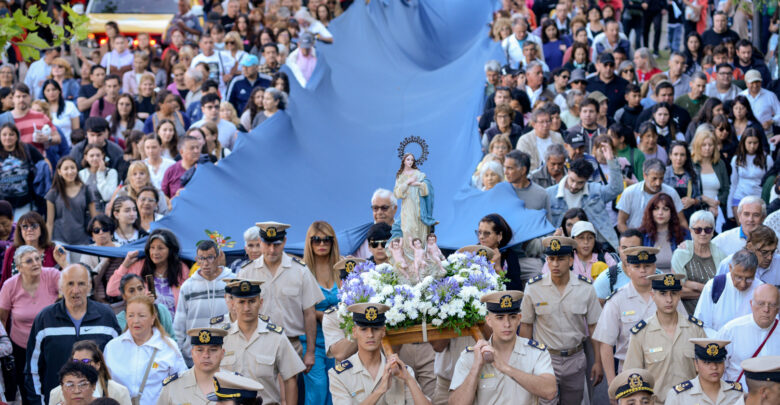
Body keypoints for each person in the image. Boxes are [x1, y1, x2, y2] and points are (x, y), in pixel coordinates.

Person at [520, 236, 602, 405]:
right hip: (545, 359)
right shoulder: (533, 287)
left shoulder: (586, 288)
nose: (555, 264)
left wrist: (598, 362)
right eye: (551, 259)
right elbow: (526, 325)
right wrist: (526, 361)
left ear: (571, 260)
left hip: (576, 359)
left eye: (561, 259)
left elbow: (594, 327)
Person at [25, 264, 121, 405]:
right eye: (70, 284)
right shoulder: (45, 318)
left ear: (89, 287)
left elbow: (117, 365)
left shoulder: (106, 316)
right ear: (61, 287)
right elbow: (32, 369)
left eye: (81, 284)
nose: (75, 290)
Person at [593, 246, 683, 386]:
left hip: (667, 374)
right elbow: (606, 344)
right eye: (637, 266)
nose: (643, 270)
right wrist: (612, 384)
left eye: (647, 265)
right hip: (631, 376)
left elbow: (685, 330)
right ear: (628, 269)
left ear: (654, 267)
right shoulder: (617, 300)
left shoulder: (669, 295)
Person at [237, 222, 323, 368]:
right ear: (260, 242)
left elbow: (309, 313)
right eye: (267, 244)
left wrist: (310, 352)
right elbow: (236, 312)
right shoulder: (246, 273)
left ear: (284, 242)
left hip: (291, 345)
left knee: (292, 390)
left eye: (276, 244)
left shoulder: (300, 271)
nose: (272, 250)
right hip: (256, 344)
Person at [448, 290, 556, 404]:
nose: (507, 324)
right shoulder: (470, 356)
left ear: (519, 319)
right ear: (489, 321)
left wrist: (505, 368)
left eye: (512, 317)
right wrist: (476, 367)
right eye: (500, 318)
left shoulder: (536, 353)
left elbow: (550, 392)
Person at [623, 273, 707, 404]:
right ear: (653, 296)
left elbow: (706, 373)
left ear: (679, 295)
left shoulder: (695, 330)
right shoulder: (640, 334)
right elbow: (632, 377)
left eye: (673, 293)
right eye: (663, 294)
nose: (669, 299)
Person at [221, 279, 305, 405]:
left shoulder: (276, 337)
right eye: (241, 302)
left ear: (261, 303)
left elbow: (290, 379)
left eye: (252, 301)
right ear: (233, 304)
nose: (247, 308)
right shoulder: (222, 337)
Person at [329, 303, 431, 405]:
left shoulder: (401, 370)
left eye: (376, 329)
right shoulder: (340, 375)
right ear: (354, 332)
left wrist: (408, 379)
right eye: (364, 329)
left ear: (383, 331)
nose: (370, 335)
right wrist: (380, 390)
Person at [0, 245, 60, 403]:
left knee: (52, 383)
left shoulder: (52, 275)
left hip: (50, 343)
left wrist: (64, 262)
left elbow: (73, 287)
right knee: (26, 388)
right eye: (29, 261)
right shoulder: (10, 285)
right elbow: (2, 319)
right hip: (21, 347)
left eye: (37, 258)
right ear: (19, 267)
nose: (35, 263)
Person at [103, 295, 187, 405]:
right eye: (130, 316)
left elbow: (182, 383)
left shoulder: (169, 347)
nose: (135, 321)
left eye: (142, 316)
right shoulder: (112, 347)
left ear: (153, 318)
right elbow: (103, 384)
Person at [172, 239, 231, 366]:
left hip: (227, 353)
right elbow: (179, 324)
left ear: (218, 257)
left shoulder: (231, 282)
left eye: (210, 257)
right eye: (201, 259)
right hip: (194, 355)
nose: (205, 263)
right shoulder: (187, 286)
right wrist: (180, 351)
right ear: (196, 260)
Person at [108, 229, 189, 316]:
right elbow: (112, 290)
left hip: (175, 327)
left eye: (160, 248)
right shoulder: (139, 267)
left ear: (171, 250)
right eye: (152, 247)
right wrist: (125, 265)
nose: (155, 252)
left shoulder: (181, 268)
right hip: (146, 325)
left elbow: (189, 299)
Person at [717, 285, 780, 388]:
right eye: (761, 304)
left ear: (778, 309)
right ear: (751, 304)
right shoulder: (731, 330)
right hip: (738, 398)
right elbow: (717, 369)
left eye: (772, 305)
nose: (766, 309)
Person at [695, 249, 764, 335]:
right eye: (738, 277)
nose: (743, 284)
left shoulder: (762, 290)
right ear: (730, 268)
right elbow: (701, 323)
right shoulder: (714, 286)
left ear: (755, 272)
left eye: (749, 279)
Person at [672, 210, 727, 315]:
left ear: (713, 232)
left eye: (708, 229)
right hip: (685, 313)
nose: (703, 233)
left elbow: (723, 291)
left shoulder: (721, 256)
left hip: (713, 313)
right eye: (698, 230)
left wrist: (688, 283)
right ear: (691, 231)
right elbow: (677, 291)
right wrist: (708, 289)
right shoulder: (680, 254)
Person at [157, 328, 227, 405]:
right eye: (200, 350)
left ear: (222, 353)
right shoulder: (172, 387)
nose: (206, 355)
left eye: (213, 350)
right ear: (192, 353)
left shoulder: (236, 385)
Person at [47, 341, 132, 405]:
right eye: (75, 361)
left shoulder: (119, 391)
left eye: (85, 361)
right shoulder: (56, 393)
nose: (80, 365)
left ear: (98, 365)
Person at [664, 338, 743, 405]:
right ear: (696, 364)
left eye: (719, 362)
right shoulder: (679, 396)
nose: (714, 367)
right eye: (707, 362)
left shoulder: (737, 394)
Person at [617, 159, 687, 232]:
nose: (658, 183)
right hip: (636, 238)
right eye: (654, 179)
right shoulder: (630, 192)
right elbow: (621, 224)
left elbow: (682, 222)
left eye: (661, 178)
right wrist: (633, 239)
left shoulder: (671, 193)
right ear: (645, 175)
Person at [46, 157, 97, 246]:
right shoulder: (53, 193)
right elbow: (50, 223)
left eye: (72, 168)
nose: (70, 172)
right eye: (66, 169)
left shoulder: (86, 190)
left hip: (82, 240)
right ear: (59, 172)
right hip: (59, 240)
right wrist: (47, 244)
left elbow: (94, 218)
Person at [0, 212, 60, 288]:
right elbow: (4, 282)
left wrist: (64, 262)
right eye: (25, 226)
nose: (29, 229)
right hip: (17, 298)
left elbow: (63, 279)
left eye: (34, 226)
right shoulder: (11, 251)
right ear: (20, 230)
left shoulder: (52, 250)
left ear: (41, 229)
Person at [0, 123, 46, 215]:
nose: (7, 137)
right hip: (2, 204)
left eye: (11, 134)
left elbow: (43, 163)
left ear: (17, 136)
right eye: (4, 134)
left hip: (25, 202)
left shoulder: (27, 149)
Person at [638, 193, 689, 273]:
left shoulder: (684, 234)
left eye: (665, 209)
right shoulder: (641, 234)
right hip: (649, 281)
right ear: (651, 212)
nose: (660, 213)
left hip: (676, 282)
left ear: (671, 212)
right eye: (656, 208)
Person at [10, 84, 62, 153]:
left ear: (30, 97)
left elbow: (58, 138)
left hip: (38, 160)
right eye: (18, 97)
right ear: (13, 98)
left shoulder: (41, 116)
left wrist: (48, 139)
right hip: (15, 160)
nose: (21, 99)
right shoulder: (6, 118)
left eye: (24, 96)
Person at [691, 129, 729, 221]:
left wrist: (717, 203)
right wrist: (707, 204)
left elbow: (726, 188)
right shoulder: (692, 164)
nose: (707, 148)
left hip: (718, 209)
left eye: (710, 145)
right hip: (698, 209)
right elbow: (692, 192)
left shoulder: (720, 164)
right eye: (704, 145)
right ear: (698, 146)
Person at [79, 144, 119, 212]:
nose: (95, 158)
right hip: (86, 212)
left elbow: (107, 197)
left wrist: (100, 173)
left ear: (103, 155)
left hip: (105, 212)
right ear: (86, 157)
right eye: (91, 156)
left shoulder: (111, 172)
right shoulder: (81, 174)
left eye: (98, 155)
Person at [740, 70, 780, 136]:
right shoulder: (741, 96)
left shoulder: (770, 95)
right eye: (752, 82)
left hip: (767, 135)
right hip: (745, 135)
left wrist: (771, 121)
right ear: (746, 83)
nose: (755, 85)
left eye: (757, 82)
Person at [161, 134, 202, 199]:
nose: (196, 151)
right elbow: (164, 195)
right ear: (182, 151)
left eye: (198, 147)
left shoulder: (204, 169)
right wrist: (176, 198)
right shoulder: (171, 171)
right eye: (192, 148)